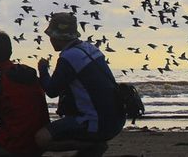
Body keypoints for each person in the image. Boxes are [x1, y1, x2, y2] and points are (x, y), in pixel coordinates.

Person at [36, 12, 125, 157]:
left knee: (41, 138)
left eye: (52, 35)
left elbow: (51, 91)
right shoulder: (91, 49)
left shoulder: (69, 57)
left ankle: (91, 144)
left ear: (58, 37)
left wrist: (43, 70)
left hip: (97, 123)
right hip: (116, 119)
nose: (50, 39)